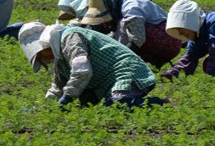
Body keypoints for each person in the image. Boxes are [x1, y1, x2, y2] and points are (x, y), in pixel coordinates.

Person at [18, 20, 167, 108]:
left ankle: (160, 104)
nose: (45, 60)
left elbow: (82, 71)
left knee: (117, 103)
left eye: (41, 55)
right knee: (87, 103)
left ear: (44, 45)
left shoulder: (71, 38)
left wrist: (68, 97)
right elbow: (58, 88)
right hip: (107, 81)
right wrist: (44, 107)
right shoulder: (60, 60)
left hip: (127, 70)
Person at [79, 0, 181, 68]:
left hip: (169, 42)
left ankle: (132, 65)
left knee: (124, 25)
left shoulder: (130, 8)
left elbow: (137, 39)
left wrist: (119, 61)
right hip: (167, 41)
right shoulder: (122, 6)